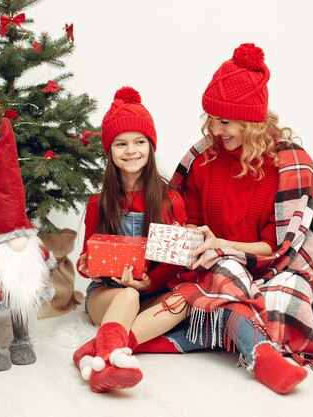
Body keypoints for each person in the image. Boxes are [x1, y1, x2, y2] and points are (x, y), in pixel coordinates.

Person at [131, 43, 313, 394]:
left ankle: (130, 342)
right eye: (212, 120)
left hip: (271, 268)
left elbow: (278, 248)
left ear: (251, 121)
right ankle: (261, 354)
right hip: (215, 266)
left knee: (288, 296)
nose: (216, 130)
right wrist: (190, 236)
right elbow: (190, 219)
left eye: (225, 121)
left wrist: (223, 245)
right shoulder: (202, 158)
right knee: (222, 273)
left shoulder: (288, 164)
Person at [73, 86, 188, 393]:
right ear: (110, 151)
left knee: (186, 300)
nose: (131, 150)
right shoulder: (98, 203)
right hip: (108, 293)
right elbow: (86, 261)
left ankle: (96, 352)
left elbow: (177, 265)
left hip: (150, 293)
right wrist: (87, 266)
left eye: (140, 142)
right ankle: (110, 359)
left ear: (151, 147)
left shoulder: (170, 201)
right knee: (127, 296)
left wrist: (149, 282)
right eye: (121, 144)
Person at [0, 117, 57, 372]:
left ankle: (22, 341)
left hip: (20, 280)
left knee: (22, 298)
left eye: (19, 234)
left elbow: (46, 260)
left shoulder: (30, 245)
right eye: (9, 236)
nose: (16, 242)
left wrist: (46, 264)